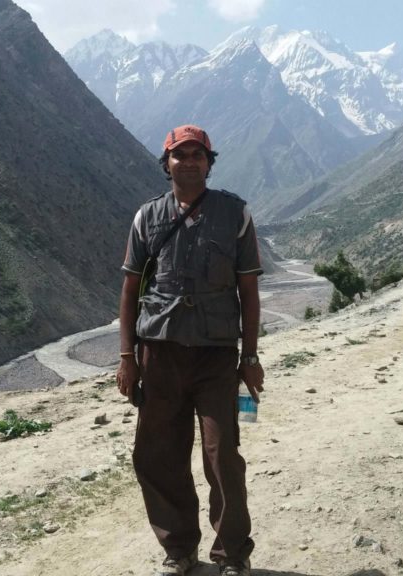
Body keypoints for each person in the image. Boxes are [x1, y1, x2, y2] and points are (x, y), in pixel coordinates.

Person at [116, 124, 265, 576]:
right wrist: (127, 358)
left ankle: (232, 555)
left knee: (223, 457)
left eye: (198, 154)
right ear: (167, 165)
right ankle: (179, 551)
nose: (189, 162)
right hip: (159, 355)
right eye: (180, 155)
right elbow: (129, 289)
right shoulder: (147, 218)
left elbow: (249, 292)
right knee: (158, 454)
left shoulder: (234, 214)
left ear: (209, 161)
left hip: (216, 356)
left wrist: (251, 357)